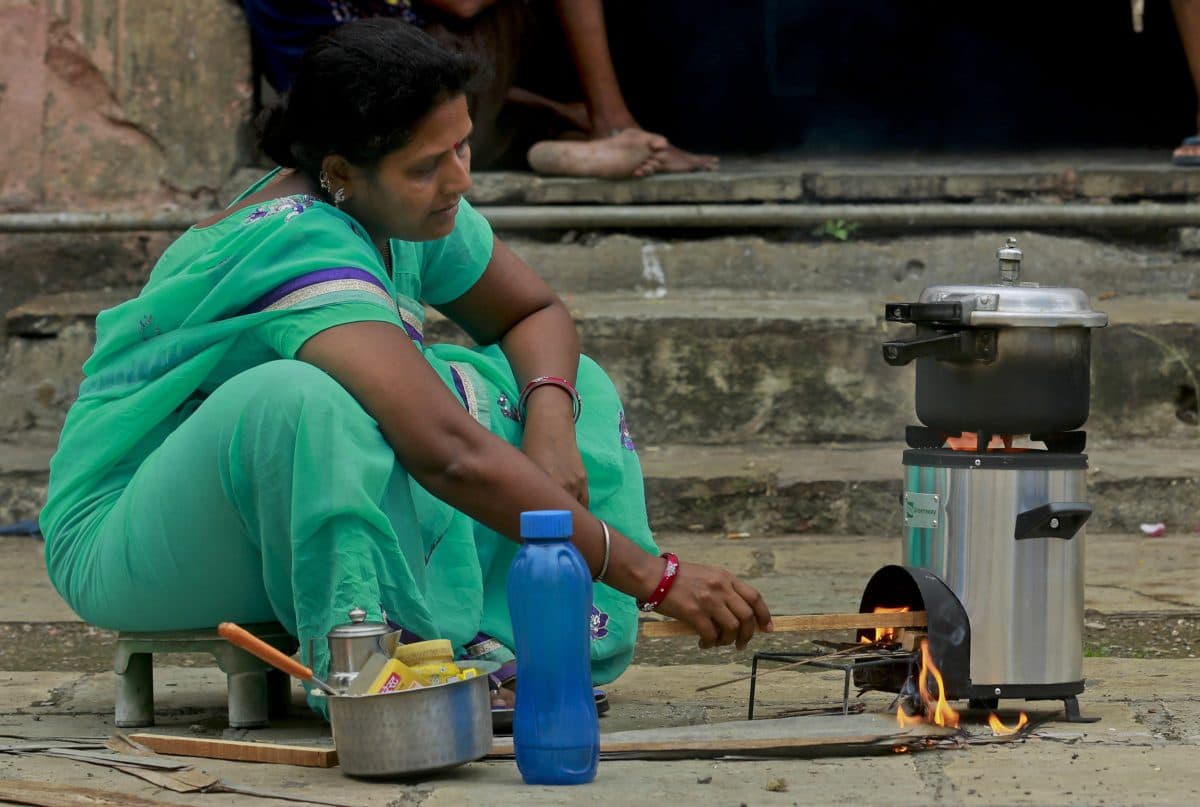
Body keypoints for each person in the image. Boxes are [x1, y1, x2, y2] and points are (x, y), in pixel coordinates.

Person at [40, 18, 771, 719]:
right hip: (124, 535)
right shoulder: (297, 244)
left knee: (565, 381)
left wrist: (551, 421)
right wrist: (652, 575)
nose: (459, 180)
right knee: (309, 401)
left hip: (261, 514)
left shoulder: (404, 208)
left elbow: (534, 314)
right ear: (339, 174)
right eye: (428, 165)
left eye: (461, 148)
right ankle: (386, 667)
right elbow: (445, 452)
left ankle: (497, 643)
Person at [241, 0, 718, 178]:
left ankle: (554, 147)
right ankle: (608, 127)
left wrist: (558, 108)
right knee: (443, 51)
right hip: (393, 108)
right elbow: (464, 6)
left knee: (467, 109)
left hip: (380, 120)